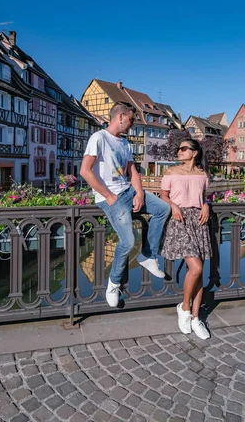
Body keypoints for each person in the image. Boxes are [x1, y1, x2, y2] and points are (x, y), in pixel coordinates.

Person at [80, 101, 171, 307]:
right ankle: (113, 283)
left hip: (128, 191)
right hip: (111, 196)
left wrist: (139, 192)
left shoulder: (126, 143)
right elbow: (85, 171)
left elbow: (132, 171)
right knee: (128, 242)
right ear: (120, 116)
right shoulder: (99, 138)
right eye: (131, 119)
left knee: (163, 209)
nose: (132, 124)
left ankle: (147, 255)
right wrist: (109, 196)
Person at [160, 138, 212, 340]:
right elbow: (163, 195)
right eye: (178, 148)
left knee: (199, 273)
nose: (179, 151)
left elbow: (205, 197)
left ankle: (195, 318)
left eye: (184, 148)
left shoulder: (203, 174)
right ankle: (184, 307)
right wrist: (173, 206)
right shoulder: (172, 172)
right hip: (179, 220)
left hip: (199, 221)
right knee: (196, 267)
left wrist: (206, 205)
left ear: (195, 152)